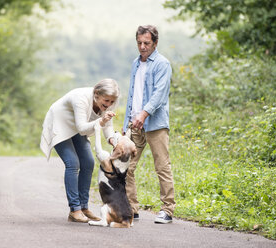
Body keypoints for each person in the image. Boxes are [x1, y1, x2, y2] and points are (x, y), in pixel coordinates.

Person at [40, 78, 119, 223]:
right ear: (97, 94)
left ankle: (84, 207)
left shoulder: (108, 104)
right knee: (73, 163)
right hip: (61, 123)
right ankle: (74, 210)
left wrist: (113, 141)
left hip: (77, 127)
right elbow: (83, 128)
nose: (108, 105)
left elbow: (108, 126)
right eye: (106, 101)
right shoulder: (81, 98)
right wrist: (100, 121)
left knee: (88, 162)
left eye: (111, 102)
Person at [122, 25, 176, 224]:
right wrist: (128, 121)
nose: (142, 47)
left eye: (146, 43)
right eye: (139, 43)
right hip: (134, 124)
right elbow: (132, 94)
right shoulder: (135, 63)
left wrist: (144, 114)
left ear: (155, 43)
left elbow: (160, 95)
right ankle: (131, 209)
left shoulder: (162, 64)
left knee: (162, 166)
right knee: (126, 166)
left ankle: (167, 210)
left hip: (155, 123)